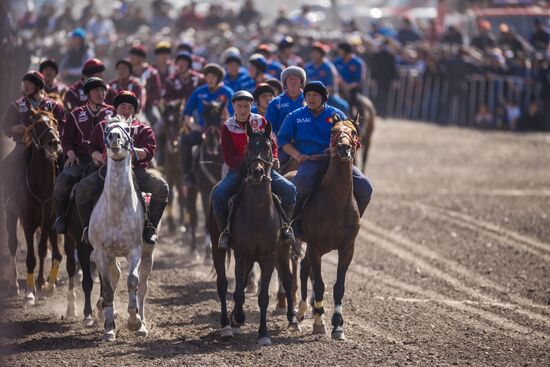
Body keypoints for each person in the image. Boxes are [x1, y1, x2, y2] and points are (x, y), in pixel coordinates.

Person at [277, 81, 372, 237]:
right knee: (298, 185)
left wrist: (334, 149)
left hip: (337, 161)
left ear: (323, 97)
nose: (311, 98)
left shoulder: (337, 114)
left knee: (366, 187)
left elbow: (349, 137)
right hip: (310, 162)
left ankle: (353, 222)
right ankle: (293, 224)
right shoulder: (295, 116)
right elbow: (283, 140)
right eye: (308, 95)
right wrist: (298, 156)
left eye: (315, 95)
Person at [76, 90, 168, 245]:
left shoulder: (143, 128)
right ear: (116, 108)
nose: (126, 110)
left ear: (135, 110)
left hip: (136, 171)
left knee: (161, 186)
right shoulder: (103, 126)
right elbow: (92, 148)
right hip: (107, 170)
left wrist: (131, 152)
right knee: (82, 188)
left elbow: (149, 151)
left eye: (130, 108)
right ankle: (87, 228)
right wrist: (101, 157)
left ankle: (150, 227)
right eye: (122, 107)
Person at [211, 90, 296, 250]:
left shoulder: (261, 121)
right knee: (219, 194)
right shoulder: (227, 127)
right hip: (239, 170)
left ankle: (285, 226)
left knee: (290, 190)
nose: (243, 110)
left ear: (252, 106)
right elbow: (228, 157)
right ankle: (225, 232)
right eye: (239, 106)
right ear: (233, 107)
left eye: (246, 106)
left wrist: (275, 157)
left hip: (264, 168)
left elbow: (272, 144)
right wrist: (249, 163)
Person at [53, 77, 114, 234]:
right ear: (88, 94)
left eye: (102, 90)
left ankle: (144, 221)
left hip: (107, 161)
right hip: (81, 160)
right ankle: (60, 217)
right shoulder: (76, 114)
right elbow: (65, 139)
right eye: (96, 90)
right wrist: (70, 153)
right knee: (61, 181)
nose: (100, 93)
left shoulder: (113, 113)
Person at [2, 71, 65, 213]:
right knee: (9, 163)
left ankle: (63, 199)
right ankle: (10, 198)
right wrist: (14, 128)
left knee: (65, 162)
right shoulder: (17, 106)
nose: (26, 86)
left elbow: (63, 124)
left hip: (50, 146)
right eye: (25, 83)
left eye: (29, 83)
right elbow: (6, 126)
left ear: (38, 86)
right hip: (24, 146)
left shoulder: (54, 106)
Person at [181, 63, 234, 184]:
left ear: (219, 78)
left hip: (224, 131)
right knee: (186, 140)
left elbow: (234, 114)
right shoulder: (199, 92)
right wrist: (194, 126)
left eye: (213, 77)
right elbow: (187, 112)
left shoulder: (228, 93)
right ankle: (188, 174)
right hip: (202, 130)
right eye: (208, 76)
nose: (210, 79)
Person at [305, 42, 349, 113]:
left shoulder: (329, 67)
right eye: (313, 52)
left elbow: (330, 87)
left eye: (316, 52)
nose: (313, 54)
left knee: (343, 106)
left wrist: (317, 95)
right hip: (309, 96)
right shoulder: (307, 67)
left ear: (322, 54)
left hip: (327, 96)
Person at [265, 66, 306, 135]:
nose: (293, 82)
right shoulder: (275, 103)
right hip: (282, 142)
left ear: (301, 83)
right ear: (285, 83)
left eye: (296, 79)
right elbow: (268, 128)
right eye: (290, 79)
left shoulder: (310, 100)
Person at [129, 45, 162, 126]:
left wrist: (144, 100)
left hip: (148, 106)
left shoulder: (151, 73)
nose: (131, 57)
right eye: (131, 54)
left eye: (134, 55)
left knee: (158, 123)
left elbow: (156, 92)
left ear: (141, 58)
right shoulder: (127, 72)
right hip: (129, 106)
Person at [333, 41, 366, 113]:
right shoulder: (337, 61)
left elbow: (359, 80)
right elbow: (334, 74)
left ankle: (361, 120)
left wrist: (349, 86)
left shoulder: (357, 62)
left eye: (340, 50)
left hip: (353, 89)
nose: (339, 52)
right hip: (339, 87)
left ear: (345, 51)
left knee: (357, 101)